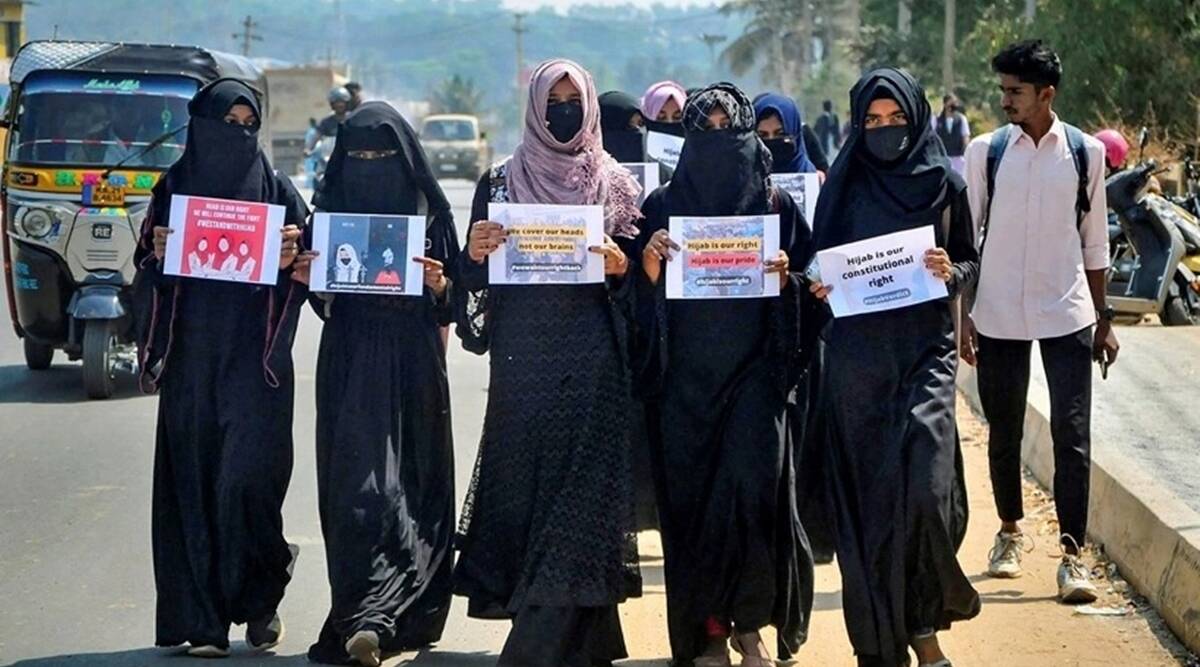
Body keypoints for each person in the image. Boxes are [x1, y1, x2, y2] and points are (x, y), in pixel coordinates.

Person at [452, 58, 644, 667]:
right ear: (535, 109)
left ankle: (537, 643)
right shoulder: (498, 183)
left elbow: (644, 289)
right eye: (552, 102)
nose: (563, 111)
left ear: (589, 108)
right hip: (523, 364)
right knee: (527, 495)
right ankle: (584, 636)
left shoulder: (617, 186)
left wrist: (622, 267)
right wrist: (474, 254)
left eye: (573, 101)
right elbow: (471, 282)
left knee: (581, 499)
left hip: (592, 364)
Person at [807, 67, 981, 667]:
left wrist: (951, 272)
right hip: (858, 364)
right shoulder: (844, 184)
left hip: (925, 353)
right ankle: (895, 642)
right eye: (873, 120)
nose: (884, 130)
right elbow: (816, 264)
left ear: (917, 117)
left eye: (896, 118)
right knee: (873, 507)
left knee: (928, 493)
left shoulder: (944, 184)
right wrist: (817, 285)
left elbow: (969, 260)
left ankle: (924, 615)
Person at [637, 82, 814, 667]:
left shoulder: (775, 205)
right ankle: (711, 630)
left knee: (753, 495)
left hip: (755, 378)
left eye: (728, 130)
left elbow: (814, 285)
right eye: (704, 130)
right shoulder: (661, 206)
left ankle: (751, 625)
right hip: (685, 388)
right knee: (696, 508)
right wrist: (648, 266)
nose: (717, 140)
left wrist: (788, 277)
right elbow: (632, 302)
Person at [134, 78, 309, 659]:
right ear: (201, 127)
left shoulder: (278, 190)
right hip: (191, 366)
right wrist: (159, 255)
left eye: (248, 125)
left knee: (247, 484)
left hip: (256, 368)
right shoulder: (171, 190)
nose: (238, 135)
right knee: (195, 486)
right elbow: (143, 272)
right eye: (226, 124)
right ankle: (203, 621)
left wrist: (291, 257)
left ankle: (260, 597)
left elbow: (313, 269)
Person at [292, 101, 460, 667]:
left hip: (414, 362)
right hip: (350, 359)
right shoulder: (326, 215)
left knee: (413, 488)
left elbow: (457, 301)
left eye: (383, 156)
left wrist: (440, 286)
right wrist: (308, 277)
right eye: (359, 156)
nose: (370, 166)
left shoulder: (431, 216)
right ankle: (363, 617)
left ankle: (393, 616)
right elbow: (320, 299)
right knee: (359, 492)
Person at [961, 39, 1117, 604]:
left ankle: (1073, 556)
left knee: (1072, 434)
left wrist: (1104, 319)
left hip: (1067, 310)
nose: (1005, 100)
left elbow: (1094, 242)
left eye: (1016, 92)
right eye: (1003, 90)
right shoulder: (986, 152)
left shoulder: (1084, 153)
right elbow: (968, 239)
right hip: (998, 311)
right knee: (1004, 429)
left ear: (1046, 94)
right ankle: (1009, 532)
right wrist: (964, 315)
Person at [753, 92, 818, 174]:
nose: (771, 139)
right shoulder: (744, 177)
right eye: (763, 135)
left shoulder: (811, 176)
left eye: (780, 134)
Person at [599, 90, 645, 163]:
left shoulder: (656, 167)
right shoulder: (584, 165)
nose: (638, 130)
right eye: (628, 126)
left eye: (641, 123)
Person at [934, 94, 971, 174]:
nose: (953, 106)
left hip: (958, 158)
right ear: (945, 104)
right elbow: (932, 138)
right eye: (951, 103)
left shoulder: (961, 119)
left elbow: (965, 137)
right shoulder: (936, 119)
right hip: (942, 158)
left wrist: (966, 153)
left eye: (955, 103)